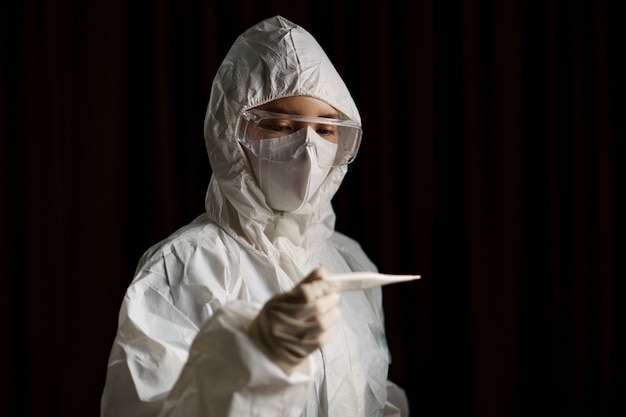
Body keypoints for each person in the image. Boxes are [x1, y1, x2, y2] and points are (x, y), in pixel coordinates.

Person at [100, 15, 409, 417]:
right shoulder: (181, 268)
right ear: (229, 131)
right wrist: (253, 354)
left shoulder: (350, 263)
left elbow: (372, 396)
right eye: (282, 126)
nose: (308, 150)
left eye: (328, 131)